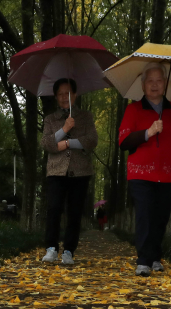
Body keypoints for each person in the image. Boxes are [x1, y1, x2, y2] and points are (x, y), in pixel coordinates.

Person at [118, 62, 171, 276]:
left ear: (165, 84)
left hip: (168, 174)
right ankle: (143, 260)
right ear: (143, 85)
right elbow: (124, 141)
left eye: (159, 80)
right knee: (144, 214)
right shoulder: (133, 109)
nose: (154, 85)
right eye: (150, 81)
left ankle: (155, 256)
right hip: (140, 174)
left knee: (161, 217)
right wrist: (148, 132)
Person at [40, 78, 98, 265]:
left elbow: (91, 141)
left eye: (68, 93)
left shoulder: (86, 117)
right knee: (54, 208)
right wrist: (64, 129)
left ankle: (69, 251)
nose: (65, 97)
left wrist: (66, 143)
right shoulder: (50, 119)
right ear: (56, 97)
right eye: (60, 94)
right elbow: (47, 143)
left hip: (80, 171)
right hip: (56, 171)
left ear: (75, 95)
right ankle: (51, 248)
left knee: (74, 211)